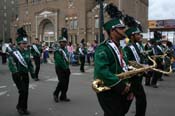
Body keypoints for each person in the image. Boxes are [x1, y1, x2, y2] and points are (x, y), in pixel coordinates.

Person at [94, 18, 133, 116]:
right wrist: (120, 85)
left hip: (121, 88)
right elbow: (101, 71)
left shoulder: (121, 48)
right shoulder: (103, 48)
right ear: (112, 31)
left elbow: (124, 66)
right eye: (121, 28)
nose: (124, 30)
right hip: (108, 89)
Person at [8, 27, 35, 115]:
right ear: (19, 44)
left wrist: (32, 73)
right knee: (22, 91)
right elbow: (11, 64)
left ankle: (24, 108)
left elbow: (30, 64)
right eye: (23, 43)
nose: (25, 45)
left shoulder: (27, 52)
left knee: (26, 92)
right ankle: (20, 107)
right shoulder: (14, 52)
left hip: (25, 74)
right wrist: (16, 73)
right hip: (17, 75)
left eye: (25, 43)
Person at [124, 27, 147, 116]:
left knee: (130, 100)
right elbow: (126, 64)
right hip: (133, 78)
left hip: (138, 76)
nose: (140, 36)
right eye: (137, 34)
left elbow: (139, 60)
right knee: (140, 99)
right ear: (132, 36)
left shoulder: (136, 46)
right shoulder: (128, 48)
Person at [53, 37, 71, 102]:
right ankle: (55, 94)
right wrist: (65, 67)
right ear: (60, 43)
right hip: (60, 68)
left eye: (64, 42)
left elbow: (66, 59)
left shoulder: (65, 50)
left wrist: (67, 67)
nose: (64, 43)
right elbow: (59, 61)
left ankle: (63, 96)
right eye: (62, 42)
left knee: (66, 83)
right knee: (62, 82)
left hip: (66, 68)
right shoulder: (57, 50)